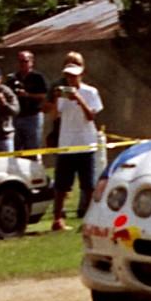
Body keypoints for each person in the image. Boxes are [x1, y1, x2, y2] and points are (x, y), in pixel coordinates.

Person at [51, 63, 103, 231]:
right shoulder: (62, 94)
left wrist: (78, 99)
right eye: (68, 76)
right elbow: (56, 114)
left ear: (81, 75)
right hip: (66, 144)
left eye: (73, 75)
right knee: (61, 185)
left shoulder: (91, 92)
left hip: (86, 143)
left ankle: (87, 220)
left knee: (87, 185)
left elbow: (91, 116)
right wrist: (55, 97)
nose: (70, 79)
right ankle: (57, 219)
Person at [6, 50, 48, 151]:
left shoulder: (38, 77)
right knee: (16, 148)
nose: (22, 64)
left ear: (31, 62)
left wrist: (28, 95)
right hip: (17, 116)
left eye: (25, 61)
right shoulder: (13, 78)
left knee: (32, 147)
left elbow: (45, 95)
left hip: (33, 116)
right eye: (20, 61)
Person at [44, 51, 84, 148]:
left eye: (77, 64)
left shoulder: (85, 87)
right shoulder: (57, 86)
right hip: (61, 128)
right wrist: (57, 98)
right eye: (70, 64)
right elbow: (46, 108)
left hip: (81, 129)